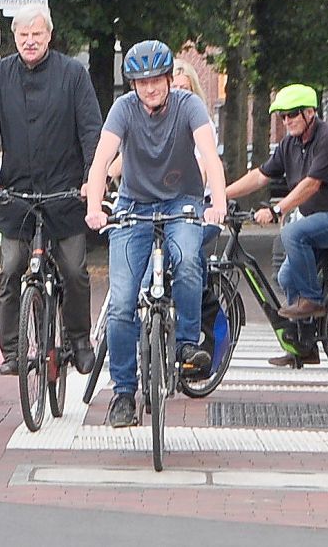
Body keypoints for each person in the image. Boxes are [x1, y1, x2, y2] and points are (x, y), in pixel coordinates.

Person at [84, 40, 227, 427]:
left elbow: (210, 156)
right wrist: (95, 207)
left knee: (187, 260)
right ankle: (124, 393)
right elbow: (101, 160)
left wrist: (218, 204)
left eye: (157, 80)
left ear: (168, 79)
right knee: (122, 301)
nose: (150, 88)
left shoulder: (189, 105)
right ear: (133, 84)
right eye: (142, 82)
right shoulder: (124, 110)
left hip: (182, 201)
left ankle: (186, 345)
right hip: (133, 205)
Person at [0, 4, 101, 377]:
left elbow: (91, 130)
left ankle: (79, 339)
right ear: (14, 38)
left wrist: (91, 178)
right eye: (23, 35)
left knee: (75, 270)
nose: (30, 41)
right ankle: (12, 349)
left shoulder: (73, 74)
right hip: (17, 192)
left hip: (65, 191)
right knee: (11, 268)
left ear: (49, 35)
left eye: (37, 34)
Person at [225, 83, 328, 366]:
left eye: (292, 114)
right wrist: (220, 193)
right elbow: (260, 176)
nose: (287, 121)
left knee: (293, 233)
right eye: (282, 117)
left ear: (310, 112)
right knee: (286, 277)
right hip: (322, 222)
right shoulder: (290, 144)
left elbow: (312, 184)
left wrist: (277, 209)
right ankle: (303, 346)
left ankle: (313, 300)